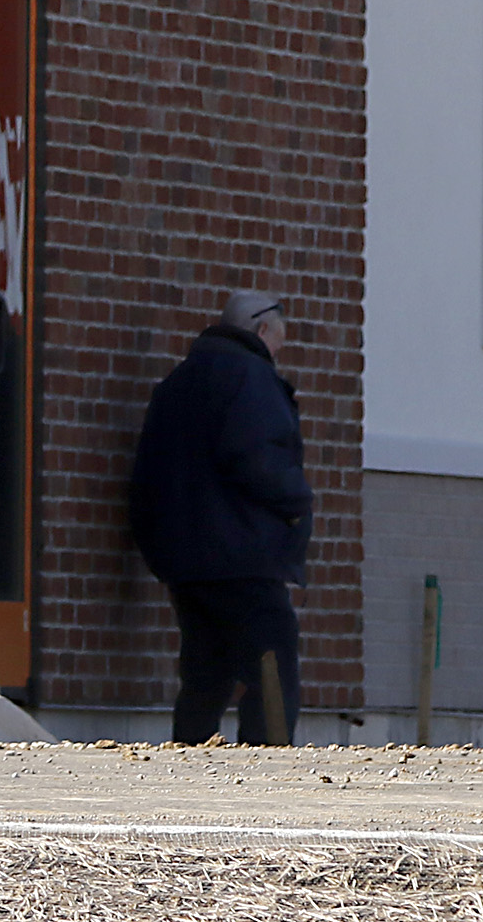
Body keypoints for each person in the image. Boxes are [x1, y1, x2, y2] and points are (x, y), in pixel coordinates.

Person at [127, 288, 313, 744]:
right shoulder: (250, 377)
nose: (278, 351)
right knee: (271, 660)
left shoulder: (179, 382)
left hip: (186, 561)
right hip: (243, 555)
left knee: (206, 670)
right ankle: (268, 770)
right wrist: (297, 501)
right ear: (261, 329)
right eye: (279, 338)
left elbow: (149, 473)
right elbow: (258, 460)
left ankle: (192, 763)